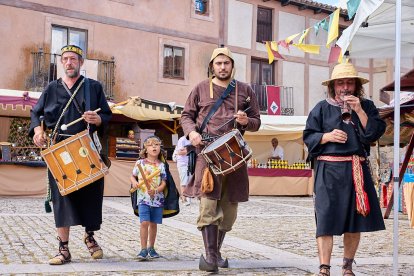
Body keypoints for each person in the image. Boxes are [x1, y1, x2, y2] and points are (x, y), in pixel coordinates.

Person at [180, 47, 261, 272]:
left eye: (226, 63)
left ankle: (214, 255)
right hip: (207, 153)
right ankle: (211, 258)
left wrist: (246, 121)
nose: (222, 67)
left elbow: (257, 121)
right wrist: (192, 133)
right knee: (208, 204)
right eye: (219, 63)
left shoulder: (245, 90)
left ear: (232, 65)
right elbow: (186, 116)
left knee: (229, 210)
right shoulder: (200, 88)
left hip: (234, 155)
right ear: (212, 66)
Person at [30, 45, 112, 265]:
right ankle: (64, 248)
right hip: (59, 151)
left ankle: (90, 236)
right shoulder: (51, 89)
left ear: (81, 63)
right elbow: (35, 113)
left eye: (73, 59)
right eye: (65, 59)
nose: (69, 62)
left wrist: (98, 120)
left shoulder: (93, 87)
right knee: (61, 198)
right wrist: (38, 131)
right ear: (61, 62)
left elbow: (106, 114)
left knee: (91, 196)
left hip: (87, 149)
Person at [303, 62, 386, 276]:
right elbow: (308, 135)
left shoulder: (366, 106)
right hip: (328, 171)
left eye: (350, 82)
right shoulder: (321, 108)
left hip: (356, 170)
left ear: (356, 86)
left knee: (354, 220)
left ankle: (347, 266)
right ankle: (324, 268)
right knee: (325, 219)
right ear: (333, 86)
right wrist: (326, 136)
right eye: (341, 83)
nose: (345, 87)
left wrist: (358, 109)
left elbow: (374, 134)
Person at [130, 136, 167, 261]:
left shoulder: (161, 165)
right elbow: (133, 176)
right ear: (145, 149)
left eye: (157, 145)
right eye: (151, 145)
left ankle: (151, 247)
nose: (154, 147)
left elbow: (164, 183)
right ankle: (143, 248)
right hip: (143, 198)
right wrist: (134, 182)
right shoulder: (140, 163)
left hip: (157, 199)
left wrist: (156, 190)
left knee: (153, 224)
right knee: (144, 222)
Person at [172, 136, 193, 206]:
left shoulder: (194, 138)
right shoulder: (182, 139)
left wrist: (188, 149)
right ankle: (183, 198)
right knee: (184, 180)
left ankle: (188, 196)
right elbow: (180, 152)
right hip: (183, 163)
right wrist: (193, 149)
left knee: (189, 180)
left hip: (191, 162)